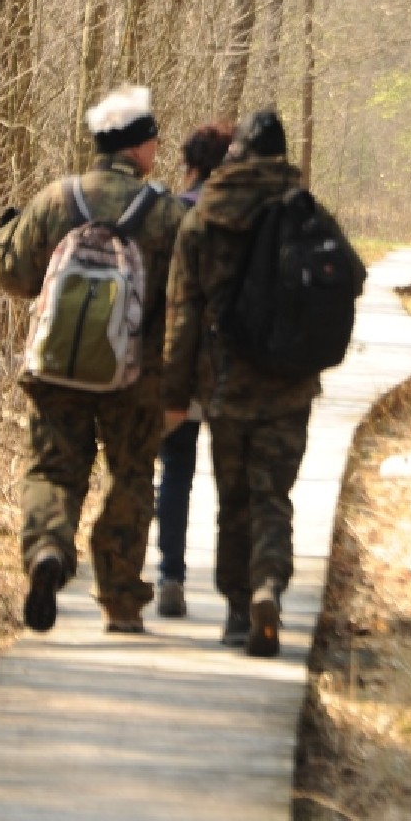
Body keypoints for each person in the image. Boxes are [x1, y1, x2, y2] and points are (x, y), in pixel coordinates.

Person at [161, 109, 366, 656]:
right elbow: (352, 275)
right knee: (272, 494)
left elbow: (182, 314)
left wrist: (174, 393)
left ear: (238, 155)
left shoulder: (205, 217)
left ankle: (236, 612)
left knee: (234, 498)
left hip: (225, 385)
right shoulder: (303, 208)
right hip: (290, 386)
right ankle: (268, 584)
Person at [0, 85, 185, 635]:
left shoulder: (58, 200)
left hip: (57, 370)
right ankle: (120, 601)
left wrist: (4, 232)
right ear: (139, 146)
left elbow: (14, 276)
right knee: (130, 478)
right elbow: (187, 302)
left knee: (54, 468)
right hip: (135, 380)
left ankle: (48, 549)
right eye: (153, 140)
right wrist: (184, 380)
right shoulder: (165, 213)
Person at [155, 123, 234, 619]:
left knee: (176, 471)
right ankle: (238, 592)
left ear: (189, 166)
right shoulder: (244, 217)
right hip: (233, 370)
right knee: (233, 479)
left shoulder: (171, 214)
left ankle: (171, 575)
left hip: (179, 364)